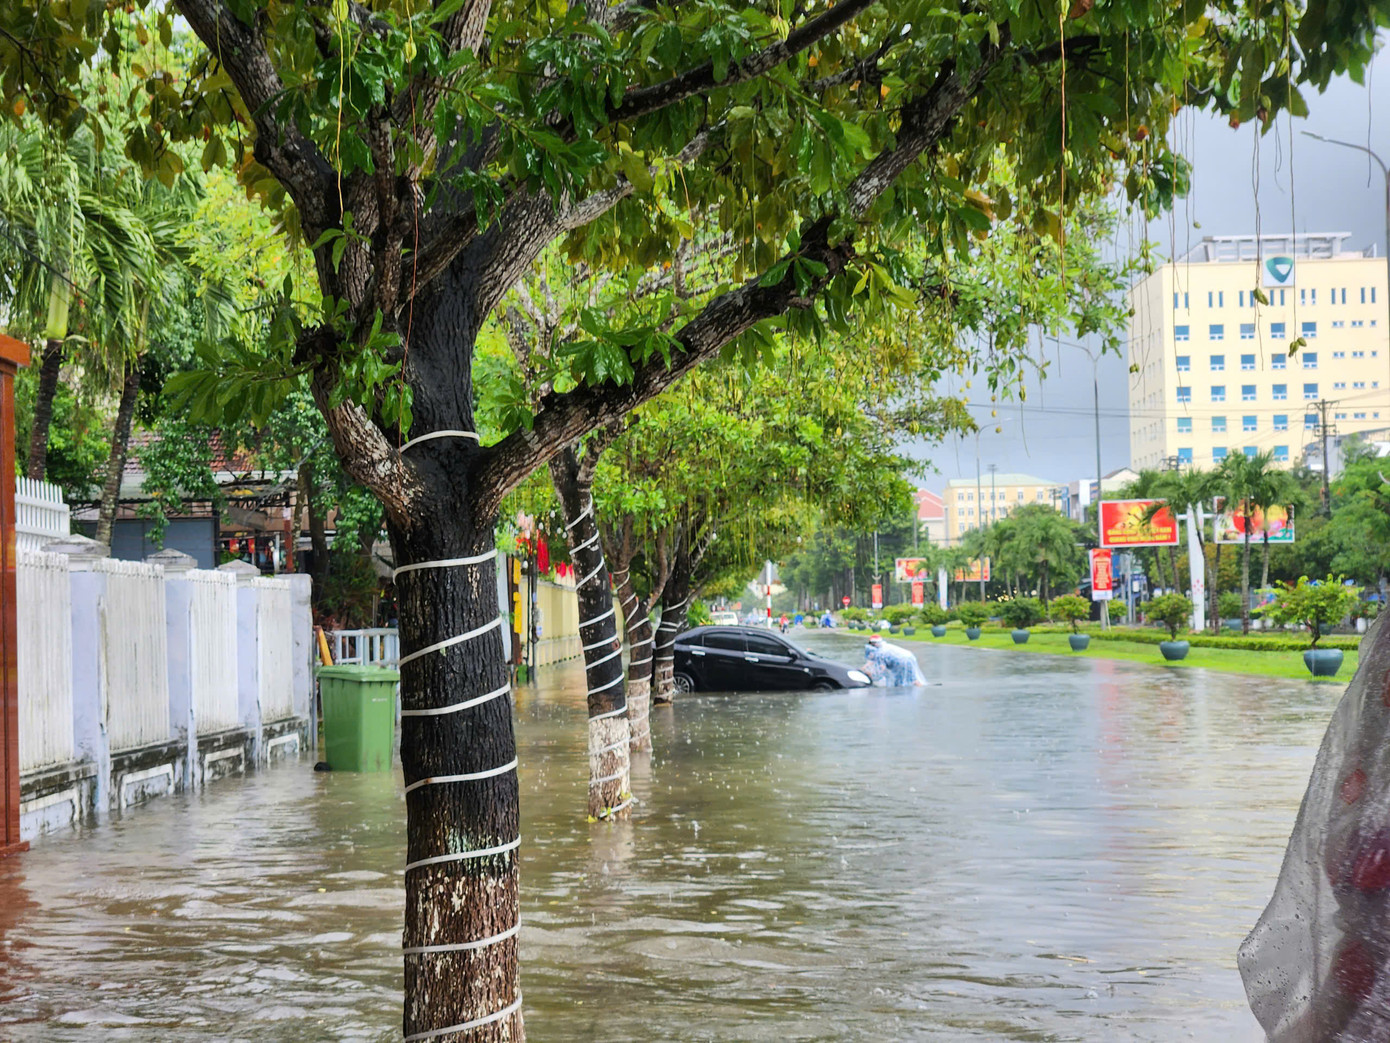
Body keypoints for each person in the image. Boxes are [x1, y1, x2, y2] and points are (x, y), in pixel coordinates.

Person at [862, 633, 926, 686]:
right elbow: (871, 662)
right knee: (912, 678)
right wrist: (863, 669)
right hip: (909, 657)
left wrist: (872, 675)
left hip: (902, 662)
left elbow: (882, 667)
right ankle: (922, 688)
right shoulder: (885, 646)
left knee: (901, 682)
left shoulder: (880, 652)